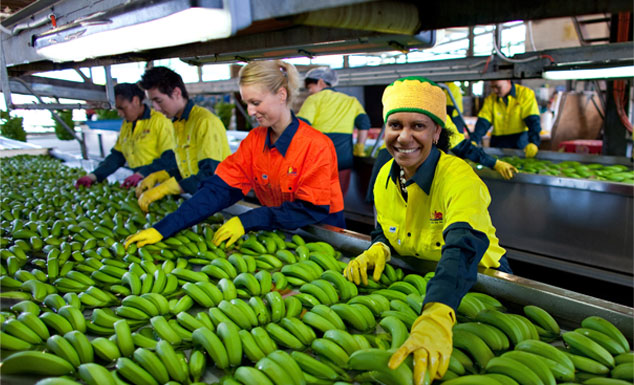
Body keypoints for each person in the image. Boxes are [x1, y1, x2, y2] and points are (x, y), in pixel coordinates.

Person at [344, 77, 512, 383]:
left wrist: (437, 313)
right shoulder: (385, 175)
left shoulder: (457, 177)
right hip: (423, 281)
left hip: (477, 282)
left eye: (418, 126)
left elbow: (463, 245)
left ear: (437, 132)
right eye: (395, 125)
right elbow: (384, 227)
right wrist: (378, 246)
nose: (404, 137)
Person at [124, 60, 345, 249]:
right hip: (280, 236)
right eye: (247, 103)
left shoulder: (316, 146)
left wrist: (248, 220)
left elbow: (310, 208)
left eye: (255, 103)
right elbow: (218, 190)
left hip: (323, 241)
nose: (250, 111)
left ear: (281, 95)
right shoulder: (254, 142)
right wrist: (163, 229)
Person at [134, 66, 231, 211]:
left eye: (158, 100)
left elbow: (210, 174)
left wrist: (165, 188)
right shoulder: (178, 124)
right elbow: (189, 169)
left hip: (221, 203)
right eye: (151, 102)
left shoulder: (204, 122)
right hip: (201, 200)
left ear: (176, 93)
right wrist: (161, 175)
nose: (156, 108)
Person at [74, 83, 176, 189]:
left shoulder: (160, 122)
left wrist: (142, 173)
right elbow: (117, 156)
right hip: (141, 183)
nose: (120, 113)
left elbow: (170, 157)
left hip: (162, 183)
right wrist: (93, 176)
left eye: (122, 108)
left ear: (135, 101)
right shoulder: (127, 125)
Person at [297, 66, 371, 196]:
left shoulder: (314, 99)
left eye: (310, 87)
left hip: (317, 161)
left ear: (320, 82)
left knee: (317, 200)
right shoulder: (351, 101)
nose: (310, 91)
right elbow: (364, 124)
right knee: (338, 199)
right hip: (343, 160)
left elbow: (300, 126)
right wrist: (359, 148)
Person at [471, 79, 541, 158]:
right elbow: (483, 122)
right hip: (498, 141)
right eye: (492, 87)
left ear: (508, 80)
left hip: (519, 140)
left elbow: (532, 120)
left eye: (498, 87)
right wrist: (474, 140)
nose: (495, 90)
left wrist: (534, 142)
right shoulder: (490, 99)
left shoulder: (525, 94)